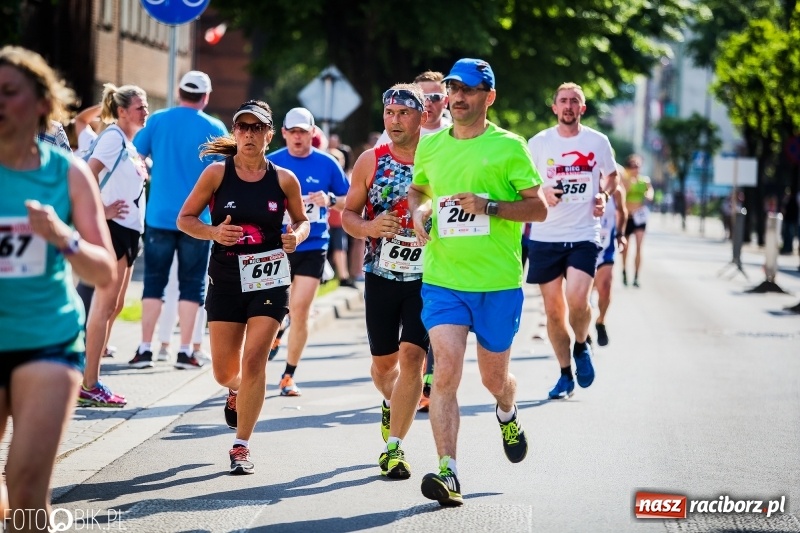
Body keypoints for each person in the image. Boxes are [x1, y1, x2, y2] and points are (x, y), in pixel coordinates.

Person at [408, 58, 547, 506]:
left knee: (493, 379)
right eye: (453, 88)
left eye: (468, 89)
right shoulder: (431, 147)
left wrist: (489, 206)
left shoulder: (510, 147)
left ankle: (506, 409)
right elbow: (420, 189)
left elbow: (538, 208)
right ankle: (448, 472)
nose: (458, 96)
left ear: (489, 96)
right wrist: (419, 211)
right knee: (444, 372)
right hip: (444, 278)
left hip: (497, 283)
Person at [0, 45, 116, 524]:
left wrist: (62, 236)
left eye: (8, 92)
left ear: (44, 103)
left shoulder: (65, 173)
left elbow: (105, 271)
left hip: (46, 339)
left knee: (25, 483)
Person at [177, 100, 310, 475]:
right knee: (224, 372)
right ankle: (237, 390)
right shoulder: (217, 175)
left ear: (270, 135)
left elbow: (302, 222)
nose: (249, 134)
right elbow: (185, 219)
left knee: (255, 361)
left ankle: (241, 445)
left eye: (257, 128)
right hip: (226, 277)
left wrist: (295, 237)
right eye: (243, 127)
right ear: (234, 133)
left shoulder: (284, 179)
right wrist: (213, 232)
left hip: (269, 278)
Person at [342, 83, 430, 479]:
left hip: (429, 277)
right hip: (381, 275)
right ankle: (390, 401)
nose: (395, 120)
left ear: (422, 116)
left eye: (404, 113)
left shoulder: (439, 155)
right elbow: (347, 215)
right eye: (389, 113)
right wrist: (371, 226)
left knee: (414, 357)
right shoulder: (371, 160)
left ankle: (394, 449)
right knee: (383, 366)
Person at [527, 82, 619, 400]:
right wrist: (543, 193)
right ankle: (565, 374)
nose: (568, 106)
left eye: (574, 101)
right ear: (554, 107)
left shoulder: (597, 141)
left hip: (583, 234)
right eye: (563, 101)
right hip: (545, 235)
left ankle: (581, 344)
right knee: (554, 311)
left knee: (578, 301)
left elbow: (611, 175)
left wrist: (603, 195)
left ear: (583, 108)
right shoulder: (538, 143)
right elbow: (524, 184)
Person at [131, 70, 227, 369]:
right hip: (199, 219)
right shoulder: (214, 126)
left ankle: (145, 349)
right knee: (192, 284)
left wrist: (152, 168)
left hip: (159, 214)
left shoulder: (158, 120)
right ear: (206, 96)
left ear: (179, 92)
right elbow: (224, 173)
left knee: (153, 283)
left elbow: (135, 154)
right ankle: (185, 351)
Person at [266, 107, 350, 395]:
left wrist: (328, 199)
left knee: (300, 310)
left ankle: (288, 375)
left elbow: (349, 200)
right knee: (277, 308)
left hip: (314, 244)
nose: (298, 137)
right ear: (284, 133)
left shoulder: (327, 164)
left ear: (313, 133)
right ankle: (278, 328)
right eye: (293, 131)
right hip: (278, 245)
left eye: (304, 131)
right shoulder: (271, 162)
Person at [80, 83, 149, 407]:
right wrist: (101, 210)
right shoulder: (111, 138)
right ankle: (87, 382)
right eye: (140, 106)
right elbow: (87, 174)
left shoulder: (130, 144)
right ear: (122, 112)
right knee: (104, 305)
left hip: (130, 231)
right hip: (112, 229)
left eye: (146, 105)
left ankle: (92, 376)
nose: (145, 110)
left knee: (116, 305)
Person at [593, 170, 627, 346]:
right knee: (584, 293)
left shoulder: (616, 192)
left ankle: (600, 321)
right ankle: (583, 332)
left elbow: (622, 212)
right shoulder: (583, 188)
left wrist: (621, 234)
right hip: (585, 246)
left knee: (605, 287)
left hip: (606, 247)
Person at [374, 71, 451, 146]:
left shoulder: (455, 132)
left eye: (435, 97)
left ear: (446, 101)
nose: (427, 103)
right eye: (422, 98)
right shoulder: (397, 132)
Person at [620, 154, 653, 287]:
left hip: (639, 217)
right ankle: (624, 271)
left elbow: (650, 193)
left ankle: (636, 276)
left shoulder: (644, 181)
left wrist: (647, 194)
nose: (635, 169)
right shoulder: (624, 179)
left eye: (637, 166)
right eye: (632, 166)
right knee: (625, 247)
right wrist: (629, 183)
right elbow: (623, 194)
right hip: (627, 217)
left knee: (639, 247)